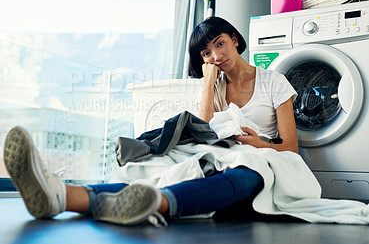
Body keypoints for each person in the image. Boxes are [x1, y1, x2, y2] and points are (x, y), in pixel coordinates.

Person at [3, 16, 298, 227]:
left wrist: (258, 143)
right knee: (164, 170)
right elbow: (204, 129)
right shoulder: (215, 87)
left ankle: (156, 203)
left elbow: (292, 149)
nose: (216, 55)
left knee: (245, 173)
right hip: (224, 155)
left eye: (220, 44)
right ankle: (62, 196)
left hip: (266, 162)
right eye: (207, 53)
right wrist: (208, 84)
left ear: (234, 39)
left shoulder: (274, 82)